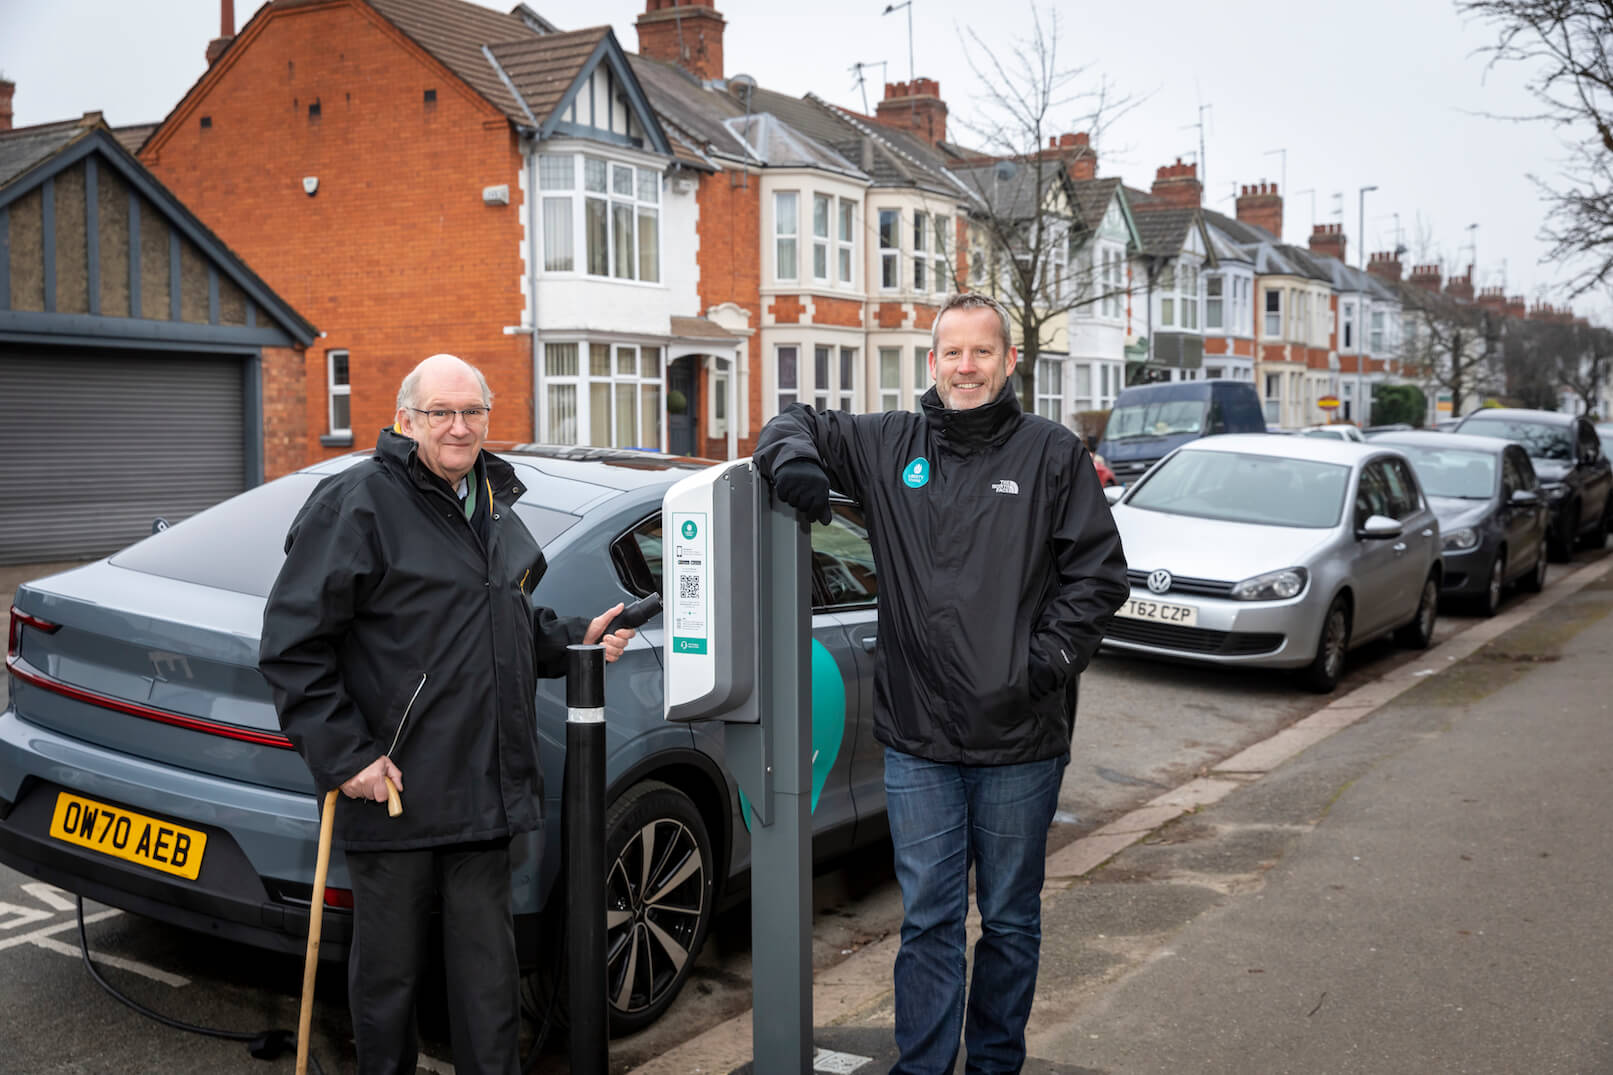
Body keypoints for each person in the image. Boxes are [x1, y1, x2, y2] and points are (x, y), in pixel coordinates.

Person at [754, 292, 1129, 1073]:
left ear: (1007, 361)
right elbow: (795, 419)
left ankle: (994, 1063)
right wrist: (790, 461)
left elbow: (1097, 577)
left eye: (981, 352)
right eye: (951, 352)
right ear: (930, 362)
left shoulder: (1051, 454)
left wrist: (1041, 665)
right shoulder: (892, 443)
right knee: (927, 919)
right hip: (918, 739)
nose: (965, 366)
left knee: (1011, 921)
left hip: (1020, 739)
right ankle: (922, 1065)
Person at [259, 353, 635, 1075]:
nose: (459, 427)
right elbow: (293, 645)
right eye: (441, 412)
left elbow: (499, 621)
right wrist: (348, 756)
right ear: (406, 420)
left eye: (473, 412)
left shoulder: (487, 498)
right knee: (389, 983)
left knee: (488, 980)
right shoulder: (361, 501)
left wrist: (573, 637)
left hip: (483, 788)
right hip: (396, 786)